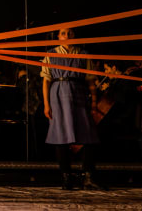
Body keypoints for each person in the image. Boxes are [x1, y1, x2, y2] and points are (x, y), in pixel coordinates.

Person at [42, 27, 103, 190]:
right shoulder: (51, 54)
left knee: (88, 135)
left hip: (78, 93)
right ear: (58, 36)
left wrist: (94, 103)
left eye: (69, 33)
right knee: (60, 135)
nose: (66, 35)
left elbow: (91, 81)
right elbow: (46, 81)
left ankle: (88, 176)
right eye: (63, 33)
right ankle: (66, 176)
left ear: (74, 35)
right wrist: (46, 104)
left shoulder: (83, 54)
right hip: (58, 94)